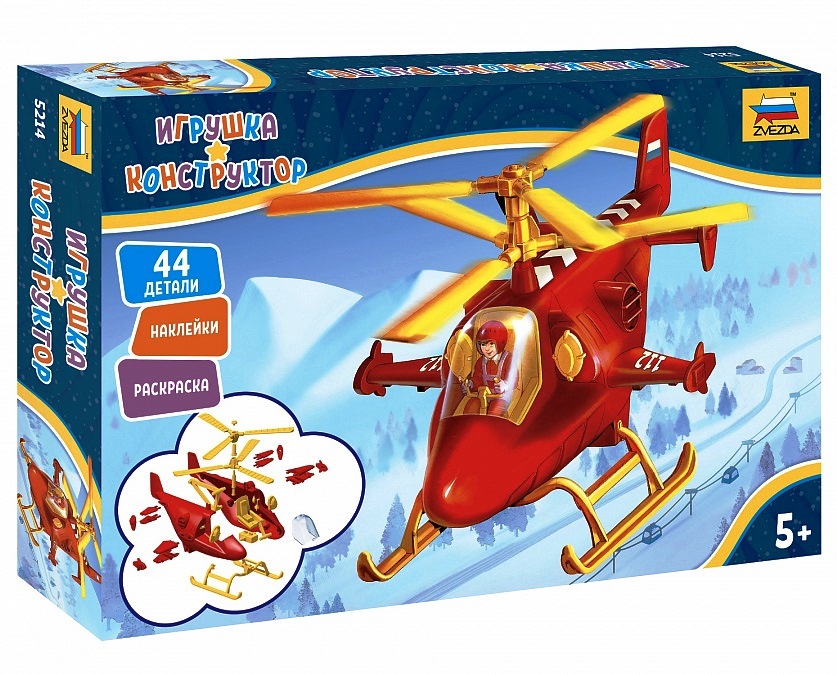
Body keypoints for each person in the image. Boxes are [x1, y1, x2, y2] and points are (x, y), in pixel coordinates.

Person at [463, 320, 515, 416]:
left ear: (500, 343)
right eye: (483, 344)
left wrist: (505, 385)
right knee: (471, 406)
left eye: (491, 344)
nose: (487, 348)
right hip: (484, 395)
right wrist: (471, 384)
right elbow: (478, 378)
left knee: (494, 411)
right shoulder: (480, 361)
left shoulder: (508, 359)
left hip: (502, 396)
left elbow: (514, 379)